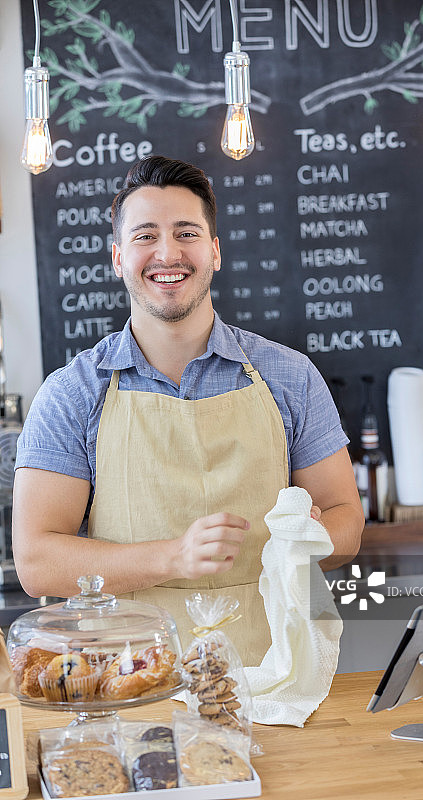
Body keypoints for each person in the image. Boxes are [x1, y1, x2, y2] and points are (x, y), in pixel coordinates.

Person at [13, 155, 364, 666]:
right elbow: (37, 561)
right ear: (117, 257)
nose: (167, 253)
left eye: (186, 233)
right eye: (145, 235)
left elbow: (347, 526)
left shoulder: (290, 376)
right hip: (131, 687)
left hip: (278, 680)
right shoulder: (72, 394)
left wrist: (309, 538)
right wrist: (174, 556)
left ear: (215, 251)